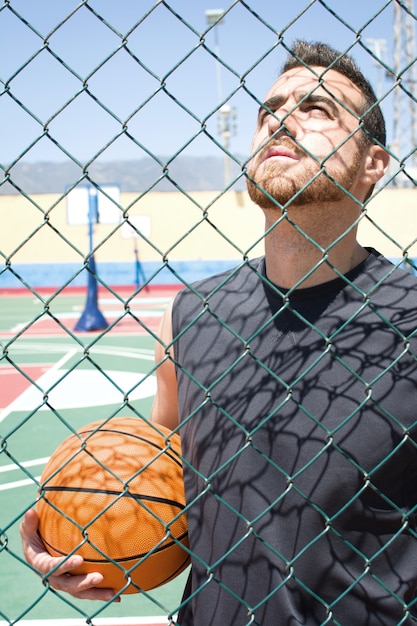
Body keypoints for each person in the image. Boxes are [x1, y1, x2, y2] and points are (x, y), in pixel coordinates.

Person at [21, 40, 417, 624]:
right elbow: (165, 492)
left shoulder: (409, 315)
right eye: (270, 110)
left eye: (317, 109)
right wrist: (90, 541)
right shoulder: (188, 317)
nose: (282, 118)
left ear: (374, 164)